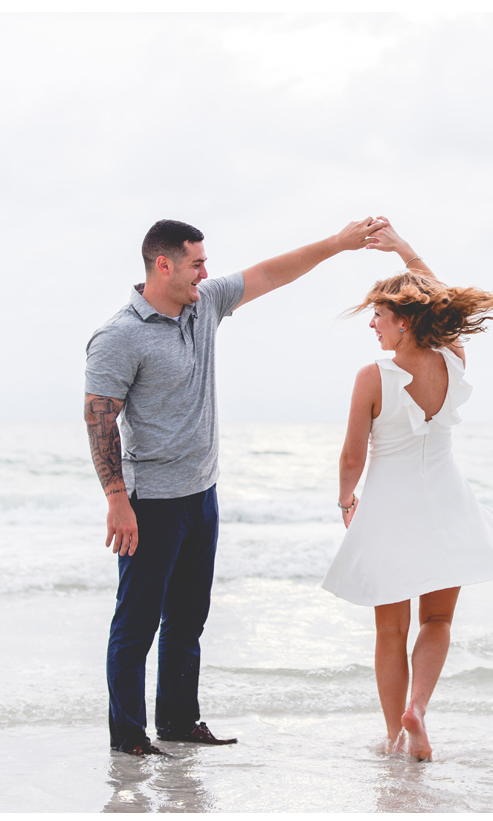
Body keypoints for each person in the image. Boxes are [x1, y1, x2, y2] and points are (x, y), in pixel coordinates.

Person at [84, 216, 387, 756]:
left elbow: (271, 273)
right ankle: (128, 738)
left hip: (203, 495)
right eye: (196, 263)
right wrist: (116, 500)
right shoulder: (118, 336)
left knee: (188, 619)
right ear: (164, 265)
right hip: (150, 502)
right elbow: (99, 420)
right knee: (136, 624)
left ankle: (177, 722)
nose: (206, 271)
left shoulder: (202, 305)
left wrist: (338, 244)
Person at [319, 221, 493, 762]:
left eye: (379, 315)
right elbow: (439, 302)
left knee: (390, 631)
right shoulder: (452, 361)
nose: (372, 323)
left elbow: (353, 455)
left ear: (402, 320)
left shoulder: (373, 376)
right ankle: (417, 707)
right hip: (446, 505)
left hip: (390, 510)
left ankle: (395, 735)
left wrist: (347, 501)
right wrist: (404, 250)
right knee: (437, 621)